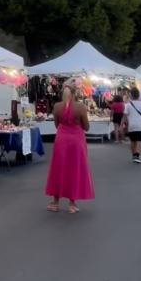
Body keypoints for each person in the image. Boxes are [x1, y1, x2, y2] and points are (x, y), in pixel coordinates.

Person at [45, 85, 95, 214]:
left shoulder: (57, 107)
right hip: (76, 141)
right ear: (75, 93)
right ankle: (72, 204)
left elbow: (57, 125)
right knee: (75, 169)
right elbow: (87, 127)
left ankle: (55, 202)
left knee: (58, 169)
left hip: (61, 140)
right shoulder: (81, 107)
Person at [122, 86, 141, 163]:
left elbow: (125, 116)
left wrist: (123, 125)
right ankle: (137, 155)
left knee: (133, 141)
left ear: (131, 95)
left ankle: (134, 155)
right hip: (140, 125)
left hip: (131, 126)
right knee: (139, 141)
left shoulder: (128, 105)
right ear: (138, 95)